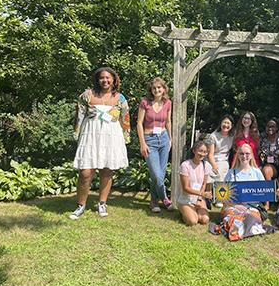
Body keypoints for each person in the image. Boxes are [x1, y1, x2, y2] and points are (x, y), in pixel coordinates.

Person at [70, 67, 130, 219]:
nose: (105, 80)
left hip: (111, 137)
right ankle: (80, 205)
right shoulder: (88, 95)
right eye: (102, 78)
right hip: (91, 135)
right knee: (85, 172)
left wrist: (126, 137)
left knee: (107, 170)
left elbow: (125, 118)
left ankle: (102, 203)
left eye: (108, 78)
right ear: (97, 79)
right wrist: (77, 134)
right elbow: (79, 115)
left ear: (114, 80)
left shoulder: (120, 98)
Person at [136, 77, 173, 213]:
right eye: (154, 88)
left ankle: (153, 201)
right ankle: (165, 198)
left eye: (159, 87)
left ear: (164, 89)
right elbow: (139, 123)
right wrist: (142, 143)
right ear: (151, 90)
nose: (157, 90)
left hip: (163, 139)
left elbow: (168, 122)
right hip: (149, 140)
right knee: (157, 175)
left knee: (159, 174)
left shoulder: (168, 103)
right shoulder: (145, 103)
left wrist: (170, 138)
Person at [178, 141, 212, 226]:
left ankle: (192, 212)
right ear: (194, 151)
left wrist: (200, 198)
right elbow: (185, 188)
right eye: (200, 151)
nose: (202, 154)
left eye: (205, 152)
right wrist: (202, 193)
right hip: (186, 199)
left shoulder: (206, 165)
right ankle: (183, 211)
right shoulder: (185, 165)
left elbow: (204, 184)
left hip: (198, 198)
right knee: (193, 221)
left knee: (205, 220)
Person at [259, 117, 279, 209]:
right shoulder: (262, 137)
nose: (270, 128)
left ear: (277, 128)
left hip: (278, 164)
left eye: (273, 126)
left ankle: (267, 202)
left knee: (266, 170)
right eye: (268, 126)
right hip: (264, 162)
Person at [206, 115, 234, 207]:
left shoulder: (232, 136)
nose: (226, 125)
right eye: (224, 122)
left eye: (228, 123)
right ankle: (207, 196)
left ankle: (220, 198)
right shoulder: (213, 136)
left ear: (231, 125)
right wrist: (214, 165)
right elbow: (210, 154)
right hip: (212, 159)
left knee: (223, 168)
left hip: (224, 160)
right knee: (209, 171)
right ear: (221, 123)